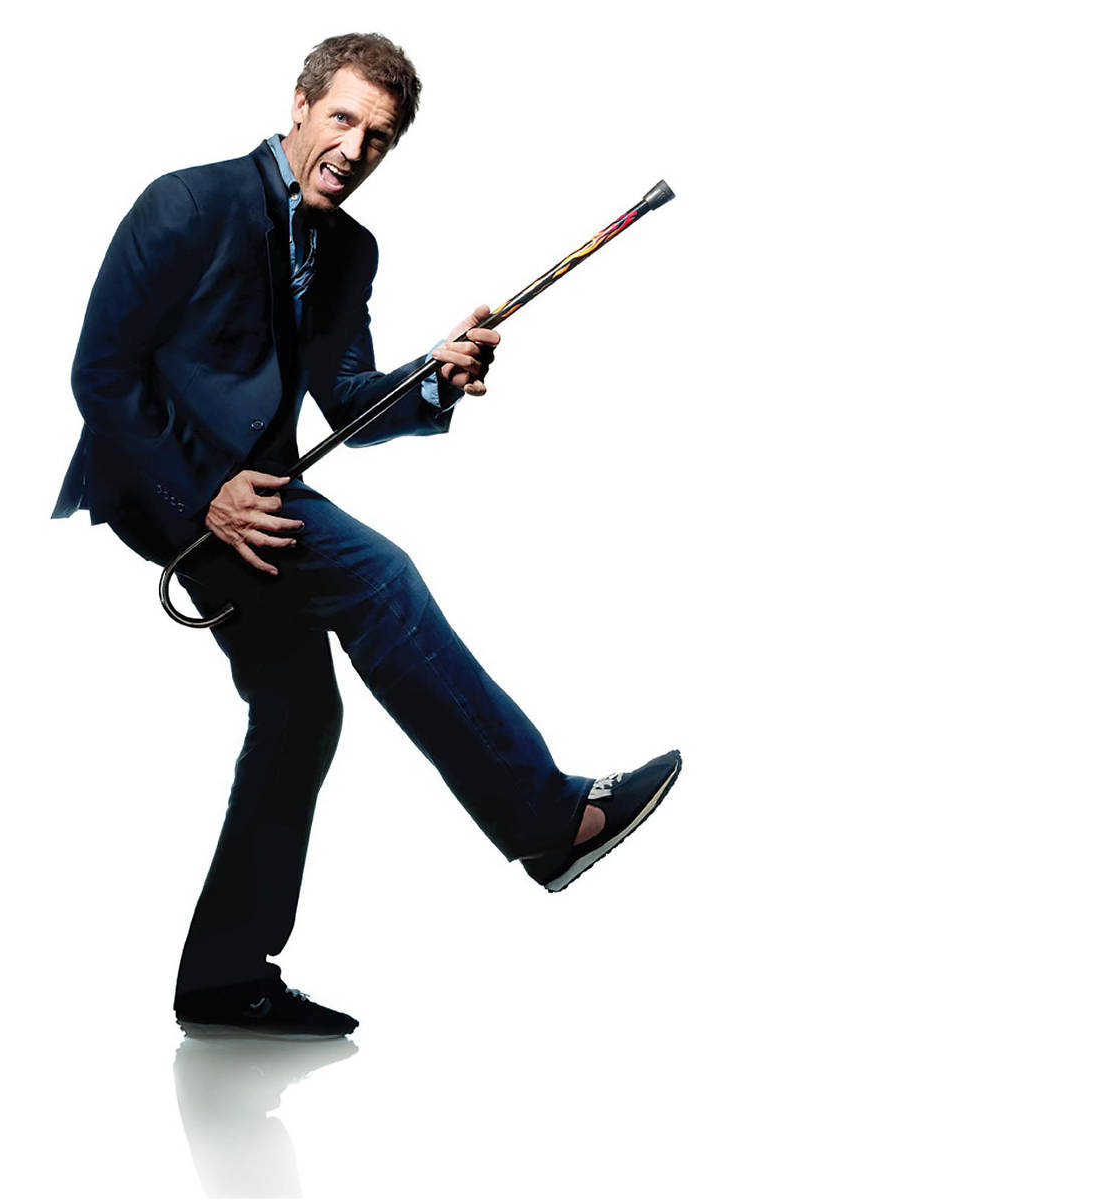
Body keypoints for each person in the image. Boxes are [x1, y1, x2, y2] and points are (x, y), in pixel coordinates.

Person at [52, 33, 681, 1039]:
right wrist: (206, 493)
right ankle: (548, 821)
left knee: (299, 711)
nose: (353, 149)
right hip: (159, 484)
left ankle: (223, 979)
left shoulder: (351, 250)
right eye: (342, 119)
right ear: (300, 104)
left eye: (378, 137)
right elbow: (102, 372)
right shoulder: (188, 204)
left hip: (254, 492)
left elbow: (347, 401)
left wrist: (436, 379)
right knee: (379, 578)